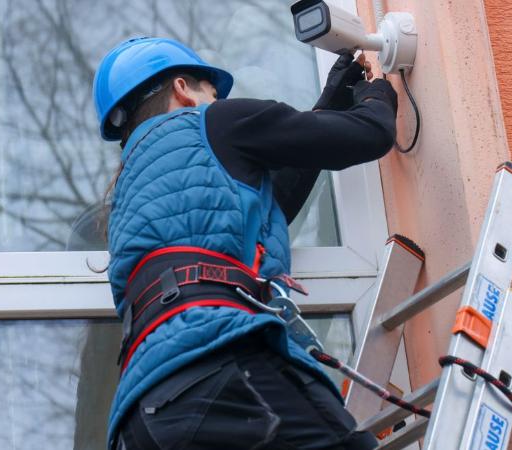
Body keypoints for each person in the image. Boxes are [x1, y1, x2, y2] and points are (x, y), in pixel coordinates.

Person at [93, 36, 398, 450]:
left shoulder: (127, 197)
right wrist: (378, 94)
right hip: (220, 364)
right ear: (183, 89)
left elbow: (262, 207)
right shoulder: (213, 123)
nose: (216, 101)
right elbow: (370, 135)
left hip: (142, 418)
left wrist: (328, 103)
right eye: (212, 93)